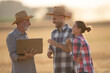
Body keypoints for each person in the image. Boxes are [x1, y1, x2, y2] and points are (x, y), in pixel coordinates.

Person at [47, 6, 75, 73]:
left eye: (54, 19)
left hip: (69, 70)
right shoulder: (53, 33)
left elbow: (72, 50)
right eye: (52, 19)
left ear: (62, 17)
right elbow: (51, 46)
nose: (53, 21)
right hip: (57, 70)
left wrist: (58, 45)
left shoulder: (71, 32)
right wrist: (49, 51)